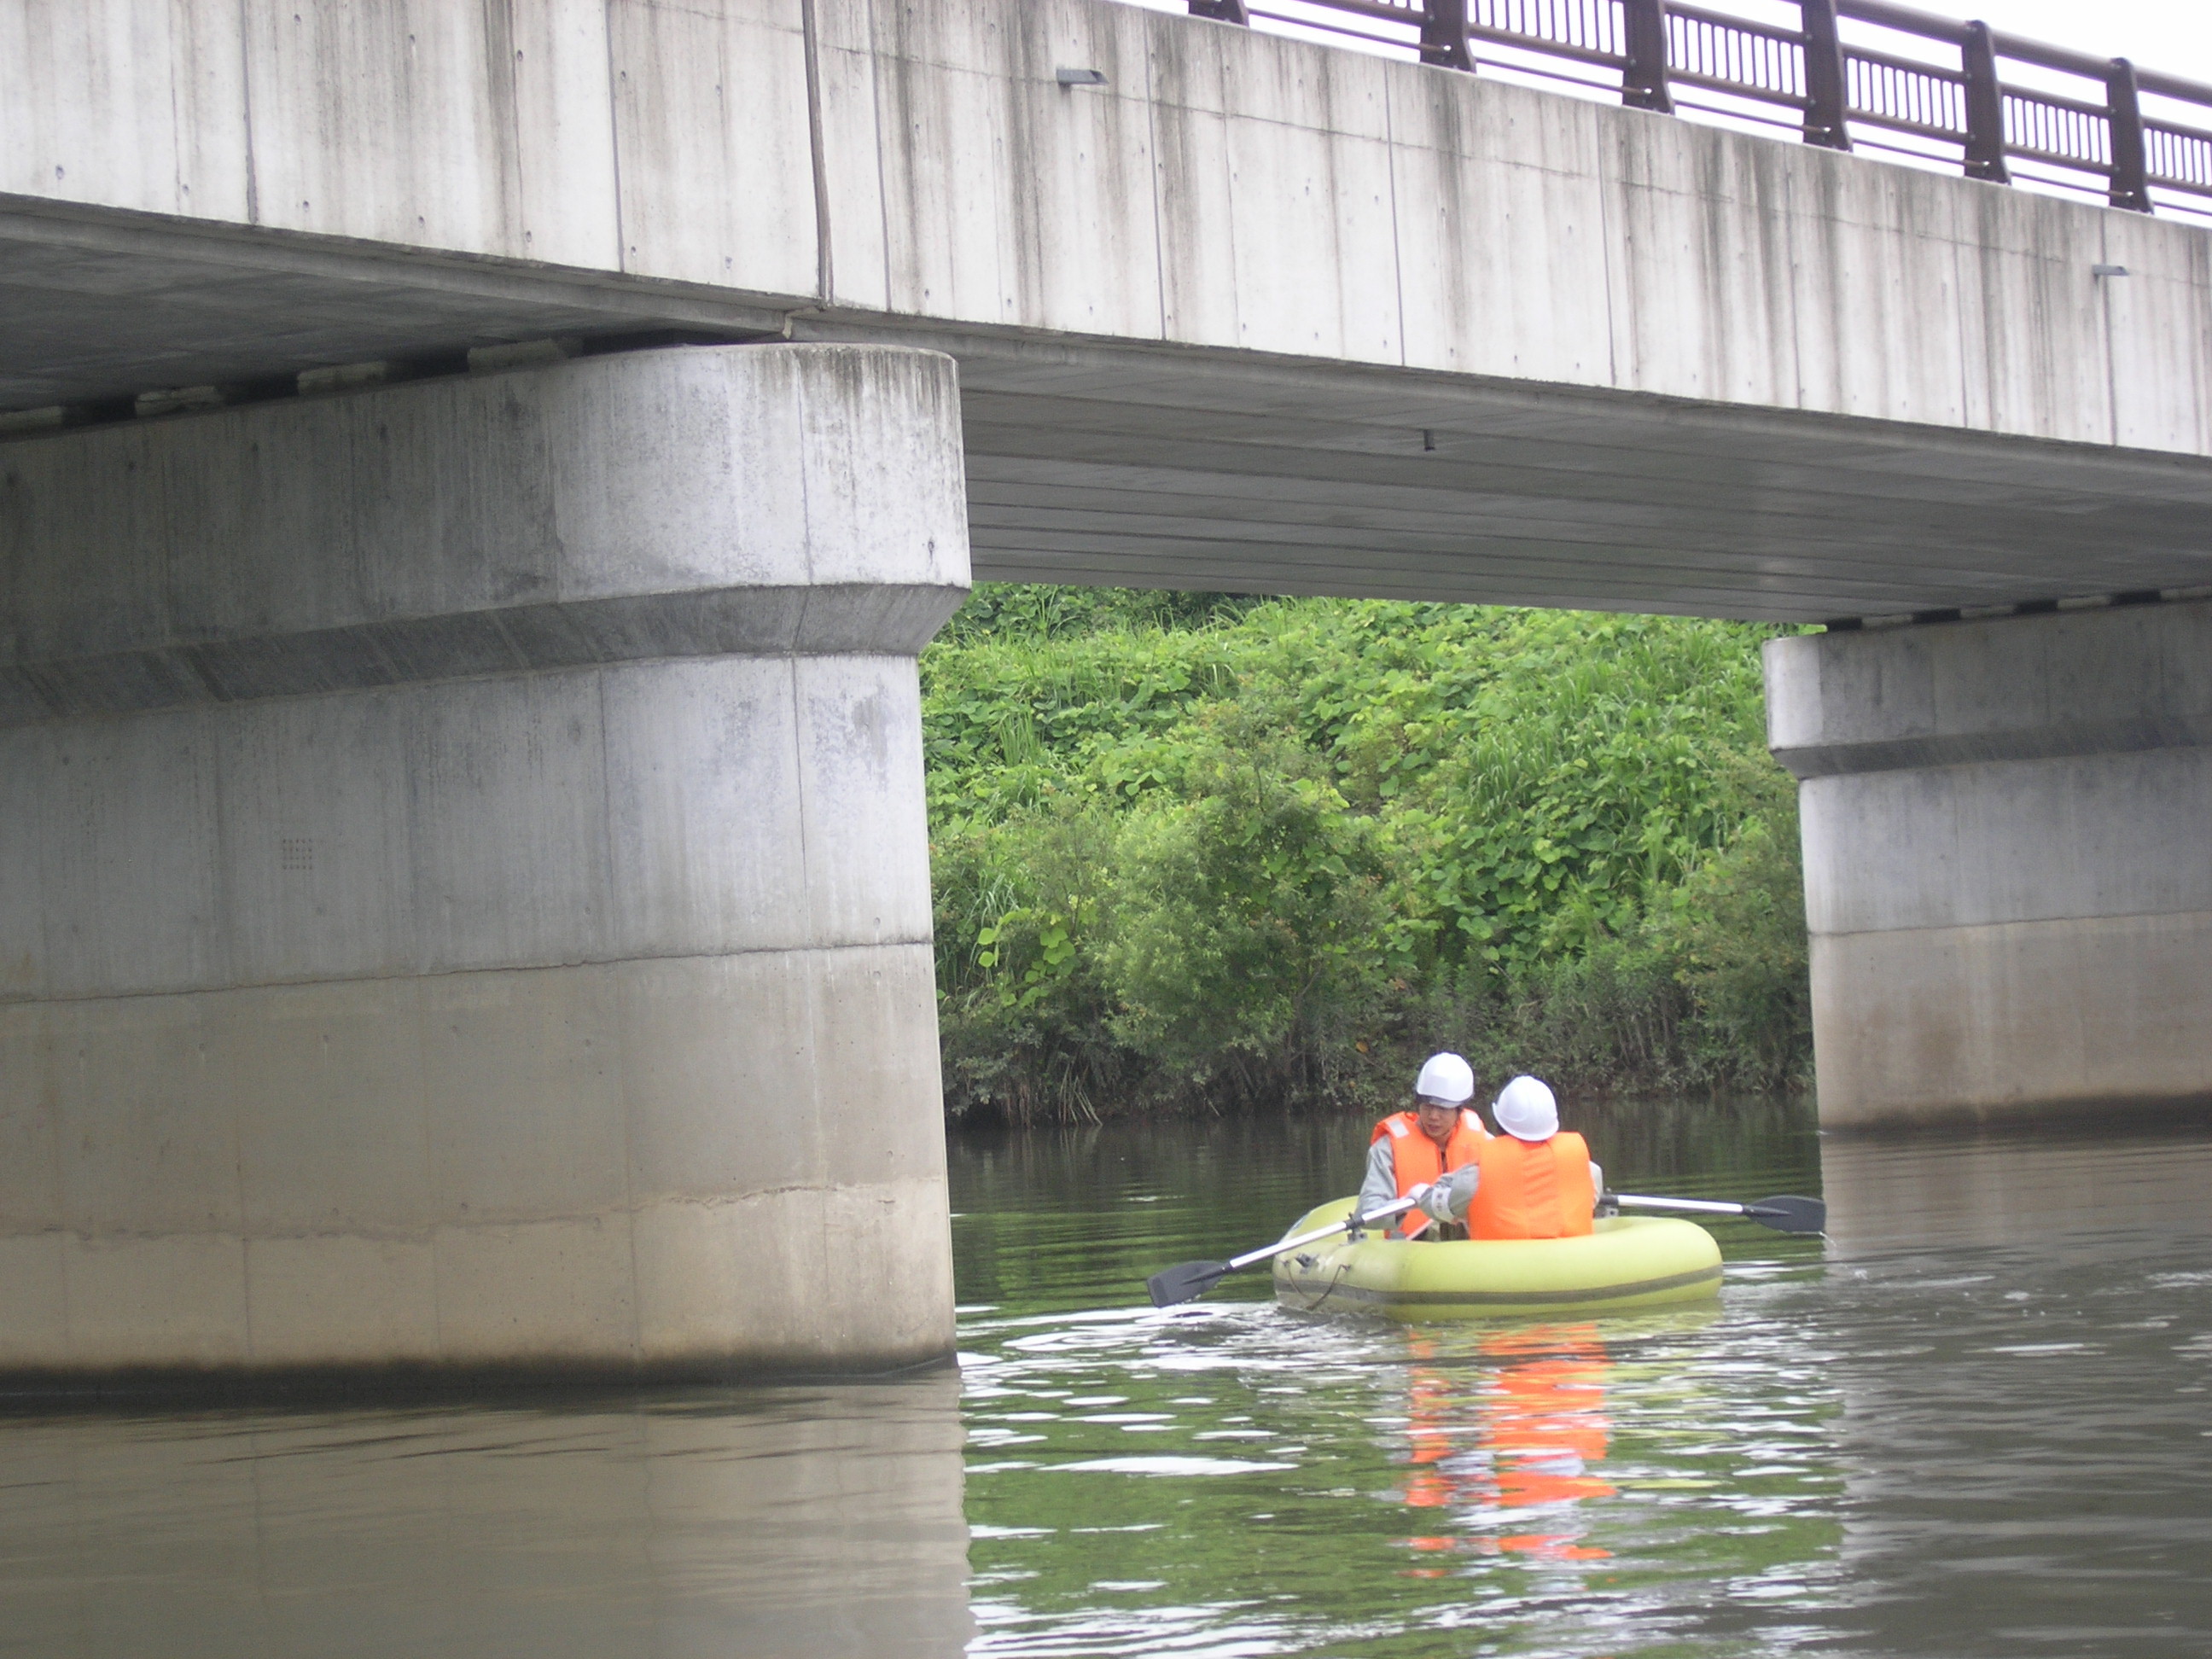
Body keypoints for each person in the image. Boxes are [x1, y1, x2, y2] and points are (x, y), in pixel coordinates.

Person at [1418, 1074, 1605, 1241]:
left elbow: (1434, 1206)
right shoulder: (1587, 1170)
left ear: (1500, 1124)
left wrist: (1421, 1194)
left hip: (1504, 1271)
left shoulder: (1477, 1177)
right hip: (1572, 1266)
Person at [1359, 1052, 1489, 1239]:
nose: (1433, 1116)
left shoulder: (1485, 1142)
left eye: (1443, 1109)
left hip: (1470, 1246)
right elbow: (1367, 1211)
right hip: (1413, 1248)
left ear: (1459, 1110)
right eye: (1427, 1106)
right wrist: (1406, 1204)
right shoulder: (1387, 1149)